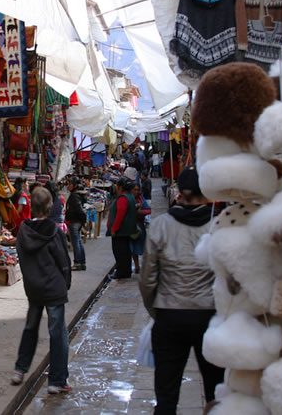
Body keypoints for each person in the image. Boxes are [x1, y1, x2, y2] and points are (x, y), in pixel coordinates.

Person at [139, 165, 224, 414]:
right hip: (209, 316)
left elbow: (147, 279)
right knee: (216, 391)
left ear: (180, 194)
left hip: (169, 315)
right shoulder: (219, 226)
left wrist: (156, 311)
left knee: (166, 394)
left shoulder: (160, 225)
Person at [10, 186, 72, 394]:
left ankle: (20, 369)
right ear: (50, 206)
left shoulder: (23, 232)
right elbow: (63, 262)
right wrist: (66, 283)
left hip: (33, 288)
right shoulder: (54, 232)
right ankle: (57, 380)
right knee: (58, 333)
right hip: (53, 288)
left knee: (31, 327)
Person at [106, 178, 137, 279]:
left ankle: (121, 272)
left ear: (120, 187)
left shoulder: (123, 198)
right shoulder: (130, 196)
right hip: (126, 230)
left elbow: (120, 215)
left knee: (120, 252)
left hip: (121, 231)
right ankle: (125, 271)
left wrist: (114, 229)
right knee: (125, 251)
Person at [65, 176, 88, 271]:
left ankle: (78, 262)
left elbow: (79, 210)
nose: (68, 186)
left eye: (70, 184)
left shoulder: (75, 196)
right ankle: (82, 262)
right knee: (78, 241)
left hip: (74, 222)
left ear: (74, 185)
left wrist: (83, 221)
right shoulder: (77, 195)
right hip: (76, 222)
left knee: (76, 243)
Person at [130, 183, 151, 274]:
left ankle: (144, 265)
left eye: (138, 190)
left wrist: (141, 212)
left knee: (142, 246)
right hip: (131, 225)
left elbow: (149, 209)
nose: (136, 191)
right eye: (134, 190)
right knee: (132, 247)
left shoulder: (141, 198)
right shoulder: (128, 199)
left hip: (140, 225)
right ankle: (137, 265)